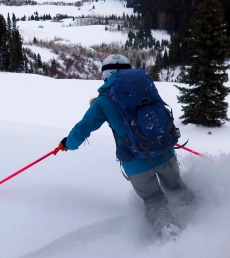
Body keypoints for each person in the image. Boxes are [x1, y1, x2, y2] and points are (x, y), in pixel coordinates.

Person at [59, 54, 194, 238]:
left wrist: (68, 143)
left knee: (153, 200)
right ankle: (201, 216)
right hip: (165, 152)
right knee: (177, 188)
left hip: (137, 164)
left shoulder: (103, 101)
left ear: (106, 75)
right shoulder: (145, 87)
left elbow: (83, 128)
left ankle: (170, 232)